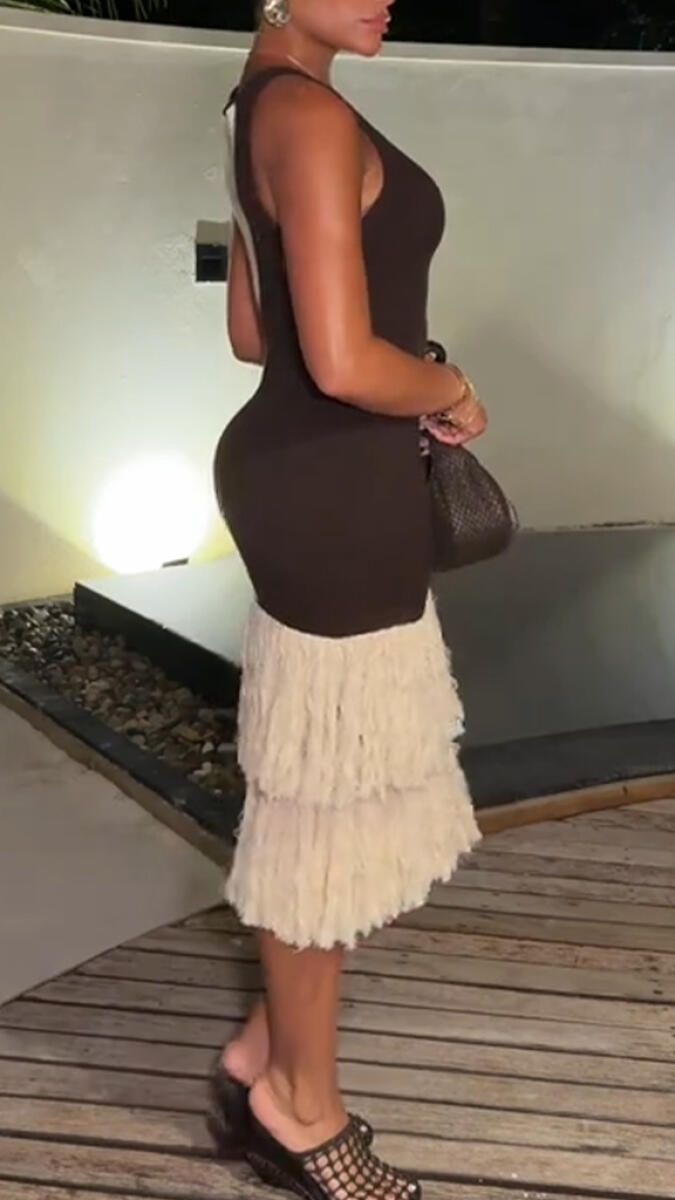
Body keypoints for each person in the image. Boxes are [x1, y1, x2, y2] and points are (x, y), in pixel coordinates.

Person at [210, 1, 486, 1195]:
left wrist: (400, 376)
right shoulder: (310, 115)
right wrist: (450, 385)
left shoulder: (257, 102)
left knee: (339, 789)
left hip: (312, 478)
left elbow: (250, 334)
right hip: (332, 491)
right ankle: (297, 1104)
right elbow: (339, 360)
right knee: (323, 809)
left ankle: (265, 1051)